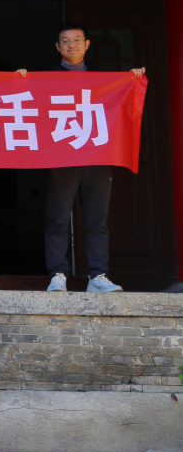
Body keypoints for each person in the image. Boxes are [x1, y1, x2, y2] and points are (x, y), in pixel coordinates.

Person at [17, 23, 144, 293]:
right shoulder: (46, 77)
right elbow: (24, 101)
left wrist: (133, 78)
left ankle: (98, 276)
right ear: (58, 47)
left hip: (98, 156)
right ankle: (58, 275)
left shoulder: (104, 78)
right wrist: (20, 79)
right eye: (65, 41)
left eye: (77, 40)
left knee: (97, 220)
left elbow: (124, 105)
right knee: (58, 219)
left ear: (87, 44)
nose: (71, 44)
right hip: (62, 158)